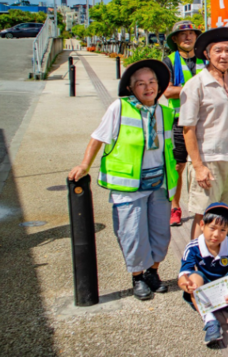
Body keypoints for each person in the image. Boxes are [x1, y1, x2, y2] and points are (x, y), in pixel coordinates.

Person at [68, 59, 176, 301]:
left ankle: (152, 272)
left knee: (161, 233)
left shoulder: (165, 112)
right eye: (141, 84)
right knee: (132, 233)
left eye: (152, 82)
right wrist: (85, 165)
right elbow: (98, 137)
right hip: (128, 185)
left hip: (160, 183)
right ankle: (138, 276)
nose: (148, 88)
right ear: (130, 88)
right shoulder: (119, 107)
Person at [180, 27, 228, 239]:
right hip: (208, 160)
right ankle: (196, 262)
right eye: (218, 50)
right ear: (206, 54)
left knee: (226, 214)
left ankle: (222, 258)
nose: (224, 55)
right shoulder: (195, 84)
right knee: (205, 216)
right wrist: (198, 166)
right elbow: (187, 129)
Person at [178, 203, 228, 345]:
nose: (217, 234)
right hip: (207, 296)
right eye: (212, 228)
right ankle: (210, 321)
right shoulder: (193, 247)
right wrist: (186, 284)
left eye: (223, 230)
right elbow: (183, 275)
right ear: (202, 225)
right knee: (194, 277)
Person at [162, 20, 203, 227]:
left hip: (203, 121)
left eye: (191, 34)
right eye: (183, 34)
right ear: (176, 39)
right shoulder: (169, 61)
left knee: (203, 164)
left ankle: (203, 207)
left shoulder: (205, 58)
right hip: (178, 121)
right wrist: (195, 87)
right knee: (178, 166)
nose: (188, 37)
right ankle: (175, 206)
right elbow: (167, 91)